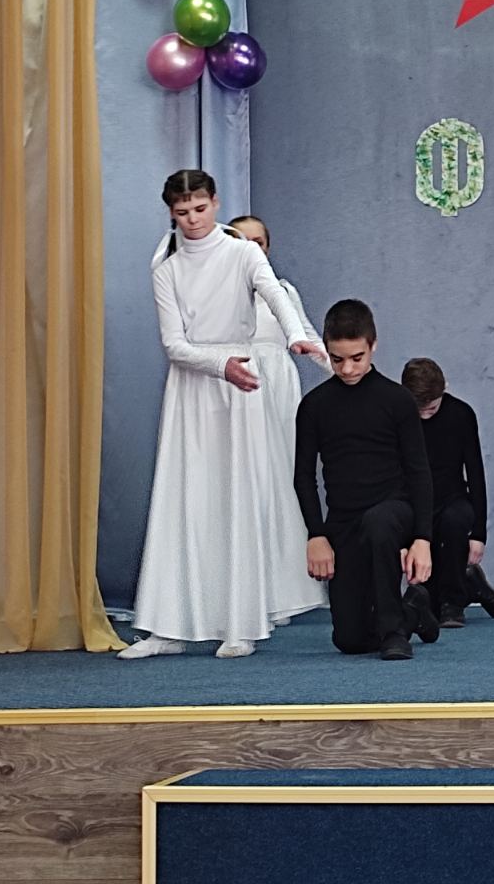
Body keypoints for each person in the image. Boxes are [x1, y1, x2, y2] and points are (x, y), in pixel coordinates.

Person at [121, 170, 327, 660]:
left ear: (214, 203)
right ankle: (168, 626)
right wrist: (219, 367)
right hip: (194, 387)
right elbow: (174, 345)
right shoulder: (167, 269)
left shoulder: (243, 253)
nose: (193, 220)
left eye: (200, 209)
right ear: (172, 213)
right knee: (182, 500)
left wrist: (297, 335)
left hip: (241, 382)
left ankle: (241, 623)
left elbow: (275, 294)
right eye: (182, 213)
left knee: (236, 499)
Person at [295, 299, 441, 660]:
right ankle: (412, 611)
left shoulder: (397, 400)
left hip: (394, 511)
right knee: (350, 640)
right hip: (344, 521)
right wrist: (317, 534)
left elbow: (419, 471)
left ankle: (394, 633)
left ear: (373, 346)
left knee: (379, 522)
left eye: (356, 358)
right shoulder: (314, 406)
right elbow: (303, 476)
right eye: (337, 359)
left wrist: (422, 538)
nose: (347, 369)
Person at [225, 215, 329, 629]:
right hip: (237, 389)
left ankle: (282, 593)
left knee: (282, 481)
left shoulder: (283, 291)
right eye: (244, 241)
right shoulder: (218, 293)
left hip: (279, 392)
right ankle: (242, 592)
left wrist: (343, 370)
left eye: (260, 242)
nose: (254, 249)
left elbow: (306, 335)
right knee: (243, 484)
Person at [401, 358, 494, 628]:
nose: (425, 416)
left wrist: (478, 534)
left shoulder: (461, 415)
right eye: (418, 410)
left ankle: (454, 603)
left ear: (444, 389)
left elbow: (475, 473)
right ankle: (471, 584)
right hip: (416, 503)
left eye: (431, 408)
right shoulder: (398, 418)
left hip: (453, 500)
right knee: (429, 604)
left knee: (453, 521)